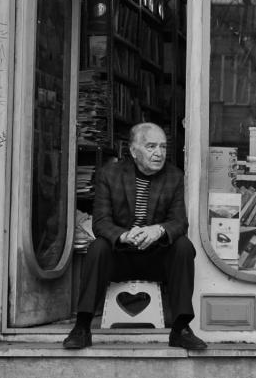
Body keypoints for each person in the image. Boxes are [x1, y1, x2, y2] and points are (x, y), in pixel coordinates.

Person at [63, 122, 207, 350]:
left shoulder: (174, 176)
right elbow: (100, 222)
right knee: (98, 247)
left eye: (162, 146)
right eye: (151, 146)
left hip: (156, 258)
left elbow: (179, 222)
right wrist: (124, 236)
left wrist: (157, 230)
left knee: (183, 246)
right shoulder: (109, 175)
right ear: (133, 151)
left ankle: (181, 329)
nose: (159, 153)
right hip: (120, 257)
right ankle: (81, 327)